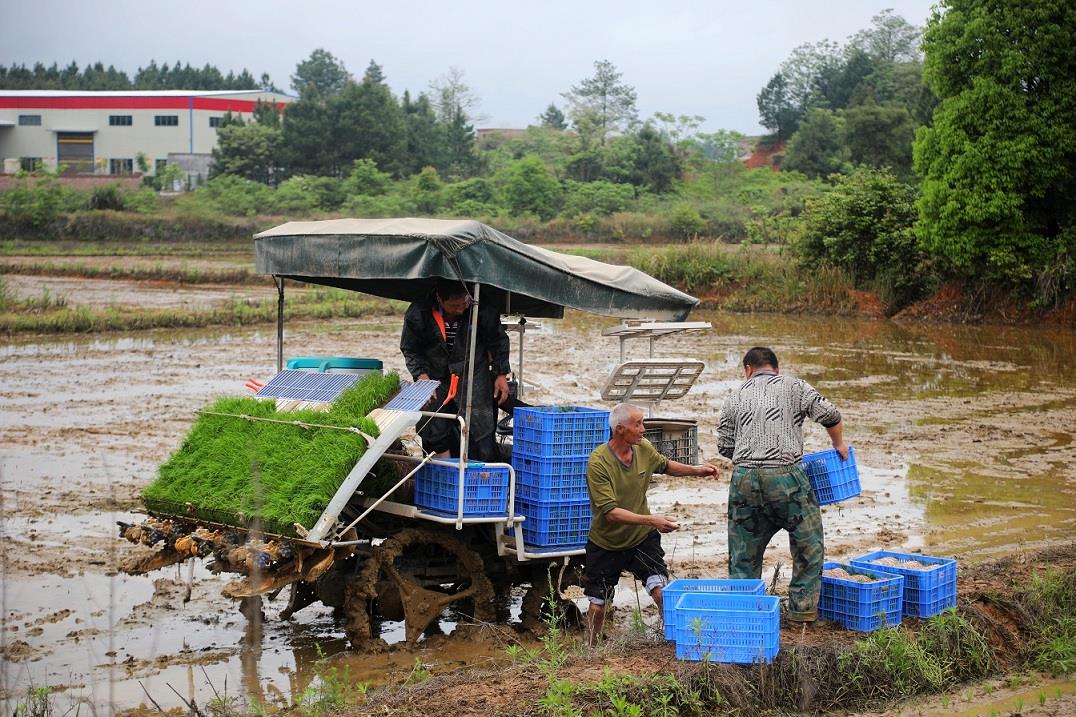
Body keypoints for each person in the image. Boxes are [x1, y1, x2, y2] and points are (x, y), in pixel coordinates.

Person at [716, 346, 848, 624]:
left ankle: (745, 613)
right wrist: (838, 444)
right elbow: (831, 414)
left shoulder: (735, 395)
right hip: (786, 478)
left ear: (748, 370)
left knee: (743, 552)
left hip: (744, 481)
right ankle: (801, 612)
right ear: (776, 368)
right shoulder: (794, 386)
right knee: (808, 544)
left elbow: (725, 446)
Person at [583, 402, 719, 645]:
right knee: (599, 604)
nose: (644, 429)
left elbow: (665, 466)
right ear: (621, 430)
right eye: (638, 424)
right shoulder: (598, 463)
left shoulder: (643, 448)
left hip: (641, 538)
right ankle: (590, 648)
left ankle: (673, 641)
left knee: (660, 590)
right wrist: (652, 519)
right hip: (607, 543)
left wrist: (697, 471)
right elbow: (611, 513)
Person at [400, 278, 511, 462]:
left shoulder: (479, 307)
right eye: (455, 305)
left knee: (480, 432)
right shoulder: (419, 312)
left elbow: (498, 340)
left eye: (464, 303)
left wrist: (501, 374)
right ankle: (443, 474)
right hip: (435, 377)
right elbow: (410, 349)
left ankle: (479, 479)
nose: (461, 309)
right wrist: (421, 375)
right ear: (439, 298)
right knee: (432, 428)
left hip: (473, 376)